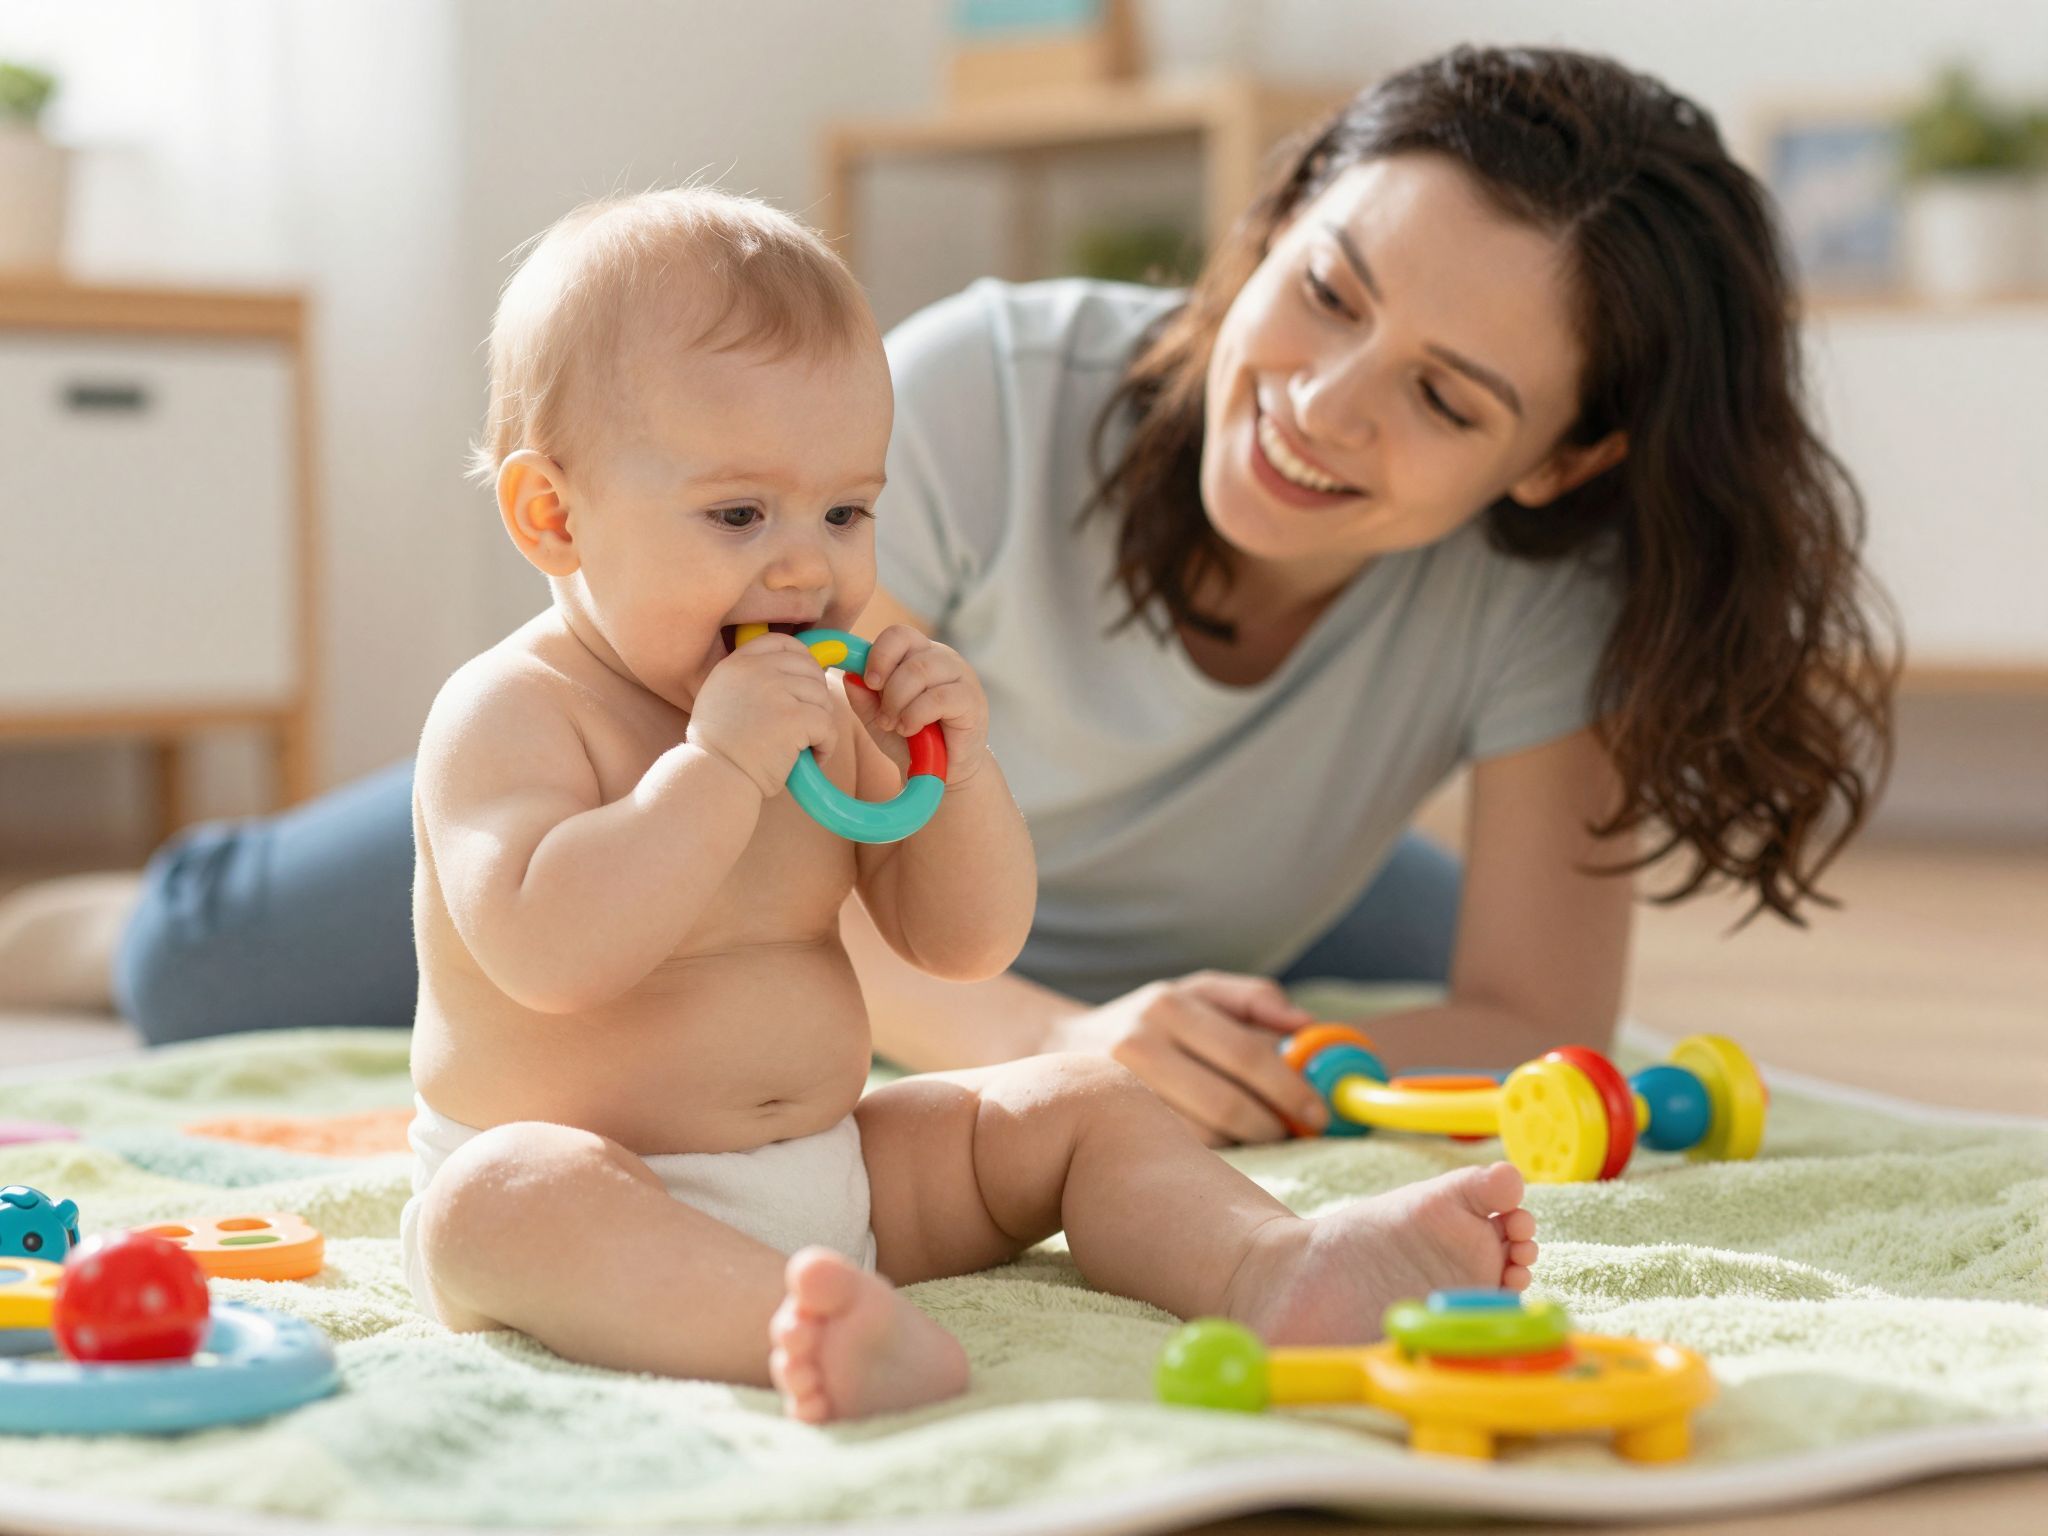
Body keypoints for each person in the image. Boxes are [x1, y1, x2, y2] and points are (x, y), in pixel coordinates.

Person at [2, 45, 1892, 1150]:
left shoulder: (1540, 592)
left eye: (1446, 399)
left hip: (1201, 882)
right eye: (1326, 290)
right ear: (1274, 221)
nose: (1316, 402)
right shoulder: (993, 385)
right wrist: (1069, 1041)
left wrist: (1249, 1060)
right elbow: (829, 888)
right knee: (203, 952)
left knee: (1336, 956)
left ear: (1558, 462)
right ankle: (73, 912)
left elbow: (1523, 1005)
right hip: (732, 828)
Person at [396, 184, 1536, 1419]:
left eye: (845, 511)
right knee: (500, 1203)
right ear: (552, 516)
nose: (805, 565)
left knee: (1083, 1103)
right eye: (736, 514)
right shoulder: (510, 713)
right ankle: (788, 1328)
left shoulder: (808, 704)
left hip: (837, 1174)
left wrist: (956, 770)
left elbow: (961, 940)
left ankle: (1273, 1266)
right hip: (593, 1188)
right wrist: (715, 774)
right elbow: (553, 955)